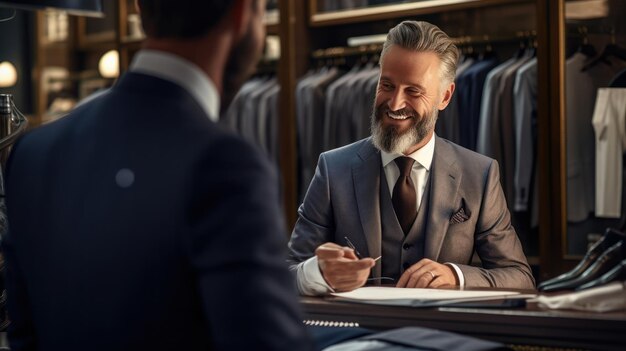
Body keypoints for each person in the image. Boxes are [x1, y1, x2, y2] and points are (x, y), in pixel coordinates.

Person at [2, 1, 312, 350]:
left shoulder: (34, 152)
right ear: (242, 13)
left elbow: (23, 335)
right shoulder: (224, 163)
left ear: (140, 10)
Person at [287, 20, 535, 295]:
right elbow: (285, 274)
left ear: (445, 96)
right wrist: (317, 272)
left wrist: (456, 276)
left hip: (442, 336)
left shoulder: (480, 174)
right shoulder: (333, 170)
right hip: (358, 332)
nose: (394, 104)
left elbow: (520, 277)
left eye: (413, 91)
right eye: (387, 85)